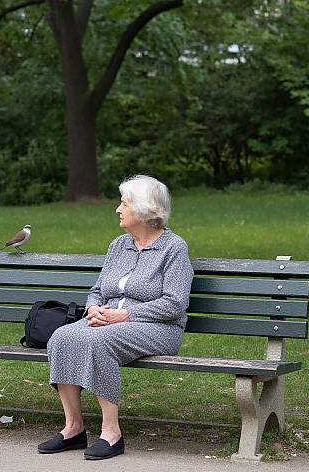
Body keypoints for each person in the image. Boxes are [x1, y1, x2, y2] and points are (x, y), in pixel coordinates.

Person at [38, 174, 194, 460]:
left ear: (144, 209)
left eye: (123, 204)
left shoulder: (174, 248)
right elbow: (98, 289)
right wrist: (94, 308)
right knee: (61, 336)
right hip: (108, 321)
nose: (117, 210)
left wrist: (125, 315)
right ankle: (73, 428)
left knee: (99, 342)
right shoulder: (118, 245)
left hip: (158, 329)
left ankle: (111, 433)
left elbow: (175, 304)